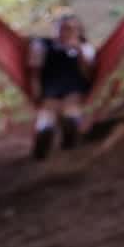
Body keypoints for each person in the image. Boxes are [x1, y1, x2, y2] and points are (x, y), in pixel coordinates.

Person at [27, 12, 95, 161]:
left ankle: (69, 128)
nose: (68, 32)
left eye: (73, 29)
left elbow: (88, 75)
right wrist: (35, 90)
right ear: (57, 29)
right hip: (50, 86)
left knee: (71, 106)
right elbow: (35, 72)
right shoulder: (42, 45)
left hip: (75, 86)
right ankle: (45, 132)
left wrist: (79, 52)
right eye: (65, 28)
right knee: (48, 110)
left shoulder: (85, 48)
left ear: (79, 31)